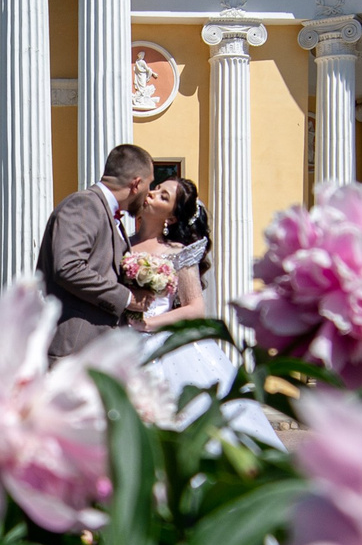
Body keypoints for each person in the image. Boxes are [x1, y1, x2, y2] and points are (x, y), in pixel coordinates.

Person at [121, 176, 279, 448]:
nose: (152, 194)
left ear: (170, 218)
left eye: (163, 197)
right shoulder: (122, 242)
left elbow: (195, 308)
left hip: (162, 342)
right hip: (120, 336)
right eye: (156, 189)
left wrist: (148, 323)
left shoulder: (176, 252)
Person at [38, 145, 157, 359]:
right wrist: (127, 297)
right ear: (136, 184)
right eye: (149, 185)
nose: (148, 195)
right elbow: (68, 267)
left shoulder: (108, 214)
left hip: (99, 351)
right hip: (74, 351)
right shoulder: (84, 205)